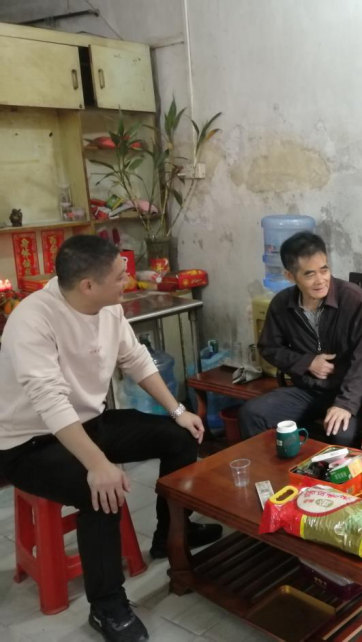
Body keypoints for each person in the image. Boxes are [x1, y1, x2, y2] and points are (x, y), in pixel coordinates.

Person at [0, 236, 222, 642]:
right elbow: (50, 402)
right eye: (120, 277)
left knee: (179, 437)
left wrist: (178, 410)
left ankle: (170, 534)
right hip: (29, 443)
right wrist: (98, 464)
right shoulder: (32, 320)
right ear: (88, 285)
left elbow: (135, 359)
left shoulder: (109, 309)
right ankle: (107, 607)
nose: (128, 282)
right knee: (101, 490)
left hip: (90, 422)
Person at [239, 232, 362, 447]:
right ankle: (275, 467)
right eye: (310, 274)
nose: (320, 280)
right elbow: (269, 347)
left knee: (341, 433)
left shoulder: (353, 299)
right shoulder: (282, 304)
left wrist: (345, 403)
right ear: (290, 276)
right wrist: (307, 362)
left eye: (324, 270)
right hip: (308, 391)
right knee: (252, 414)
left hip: (350, 392)